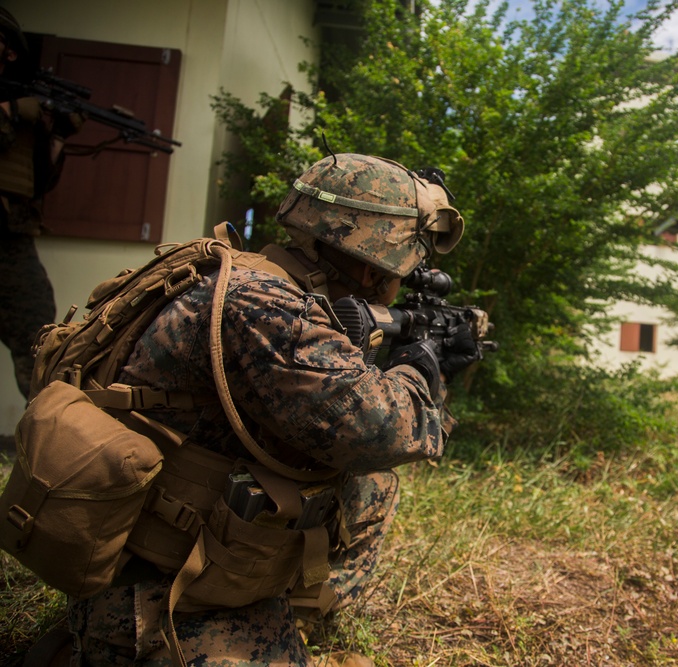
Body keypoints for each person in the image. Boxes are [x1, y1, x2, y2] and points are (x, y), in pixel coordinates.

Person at [63, 153, 475, 666]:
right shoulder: (268, 308)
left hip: (163, 550)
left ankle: (290, 606)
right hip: (156, 601)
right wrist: (422, 365)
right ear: (371, 263)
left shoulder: (240, 276)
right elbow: (383, 432)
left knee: (369, 487)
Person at [0, 7, 80, 399]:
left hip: (10, 240)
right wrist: (11, 113)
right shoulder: (14, 108)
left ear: (9, 51)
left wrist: (59, 135)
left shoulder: (20, 106)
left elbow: (38, 181)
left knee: (38, 336)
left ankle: (46, 436)